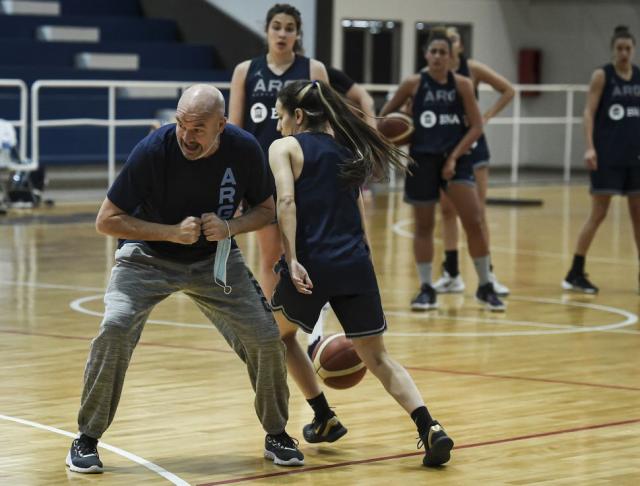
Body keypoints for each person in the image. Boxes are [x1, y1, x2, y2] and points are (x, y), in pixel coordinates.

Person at [65, 85, 304, 475]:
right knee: (115, 327)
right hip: (146, 258)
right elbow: (106, 220)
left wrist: (230, 226)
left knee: (265, 336)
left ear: (221, 126)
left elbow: (266, 209)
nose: (186, 136)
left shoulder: (244, 150)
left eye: (197, 128)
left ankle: (276, 432)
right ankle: (86, 438)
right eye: (181, 124)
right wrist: (170, 232)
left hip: (214, 259)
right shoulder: (153, 150)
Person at [269, 79, 455, 467]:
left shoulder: (284, 147)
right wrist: (364, 260)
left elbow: (286, 201)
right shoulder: (348, 148)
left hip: (312, 264)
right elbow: (358, 211)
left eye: (280, 116)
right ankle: (430, 426)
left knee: (274, 339)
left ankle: (321, 416)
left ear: (298, 116)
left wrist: (291, 257)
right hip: (355, 262)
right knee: (380, 358)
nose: (277, 124)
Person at [379, 29, 505, 311]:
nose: (437, 56)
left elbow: (476, 126)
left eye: (442, 52)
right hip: (422, 161)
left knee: (473, 220)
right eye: (432, 51)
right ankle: (426, 287)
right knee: (424, 226)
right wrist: (400, 127)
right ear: (425, 55)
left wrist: (453, 158)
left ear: (451, 57)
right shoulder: (413, 84)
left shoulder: (461, 85)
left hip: (455, 161)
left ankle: (485, 285)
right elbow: (384, 120)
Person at [228, 3, 329, 302]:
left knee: (306, 250)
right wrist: (235, 184)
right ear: (267, 30)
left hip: (304, 170)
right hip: (261, 173)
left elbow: (326, 125)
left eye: (289, 28)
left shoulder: (314, 69)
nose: (282, 33)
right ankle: (274, 325)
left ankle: (312, 325)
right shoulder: (246, 70)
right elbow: (235, 129)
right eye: (277, 27)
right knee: (272, 255)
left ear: (298, 34)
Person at [434, 27, 514, 296]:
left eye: (454, 38)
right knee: (446, 211)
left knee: (477, 214)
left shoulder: (472, 69)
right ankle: (452, 273)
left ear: (460, 46)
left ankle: (487, 274)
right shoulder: (434, 75)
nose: (450, 42)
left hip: (473, 148)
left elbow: (508, 90)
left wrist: (487, 115)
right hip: (444, 147)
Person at [563, 26, 640, 293]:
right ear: (612, 50)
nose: (623, 53)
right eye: (619, 48)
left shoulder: (639, 77)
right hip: (608, 154)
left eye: (628, 48)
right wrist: (589, 147)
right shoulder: (602, 76)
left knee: (638, 216)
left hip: (635, 156)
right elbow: (588, 113)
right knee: (598, 213)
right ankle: (575, 271)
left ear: (634, 50)